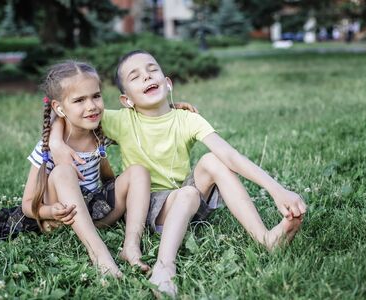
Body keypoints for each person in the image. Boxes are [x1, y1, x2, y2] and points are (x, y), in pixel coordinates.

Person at [50, 51, 307, 296]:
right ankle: (164, 268)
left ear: (167, 82)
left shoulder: (188, 120)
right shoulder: (122, 120)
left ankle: (264, 238)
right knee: (186, 194)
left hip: (182, 198)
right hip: (147, 205)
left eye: (152, 71)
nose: (147, 77)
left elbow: (230, 155)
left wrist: (277, 189)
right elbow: (68, 110)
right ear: (126, 100)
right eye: (135, 77)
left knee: (211, 161)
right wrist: (56, 143)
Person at [20, 60, 153, 276]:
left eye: (96, 96)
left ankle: (131, 246)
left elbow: (144, 119)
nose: (91, 106)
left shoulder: (101, 133)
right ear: (59, 107)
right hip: (64, 218)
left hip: (96, 214)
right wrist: (49, 211)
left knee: (139, 171)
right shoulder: (47, 149)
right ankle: (99, 254)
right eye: (79, 100)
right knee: (64, 171)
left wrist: (174, 108)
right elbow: (27, 205)